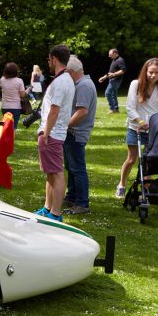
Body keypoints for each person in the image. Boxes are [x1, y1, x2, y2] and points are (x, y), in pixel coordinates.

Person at [115, 58, 158, 198]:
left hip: (154, 128)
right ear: (145, 71)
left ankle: (146, 189)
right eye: (151, 72)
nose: (153, 76)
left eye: (156, 73)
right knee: (132, 159)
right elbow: (130, 108)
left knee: (149, 160)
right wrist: (140, 121)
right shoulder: (136, 84)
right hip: (136, 127)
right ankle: (122, 183)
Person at [34, 44, 75, 222]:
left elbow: (54, 111)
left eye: (49, 59)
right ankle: (47, 208)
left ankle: (56, 214)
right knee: (50, 173)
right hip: (53, 132)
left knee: (56, 173)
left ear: (54, 59)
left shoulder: (62, 81)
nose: (48, 63)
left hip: (52, 133)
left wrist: (46, 133)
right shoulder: (65, 79)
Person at [63, 56, 97, 215]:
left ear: (70, 72)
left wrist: (65, 125)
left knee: (77, 169)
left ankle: (82, 204)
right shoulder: (82, 83)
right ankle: (72, 197)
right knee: (71, 167)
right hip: (72, 133)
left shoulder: (83, 85)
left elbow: (82, 111)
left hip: (75, 133)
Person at [0, 62, 29, 129]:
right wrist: (28, 90)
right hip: (15, 107)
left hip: (4, 106)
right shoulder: (19, 81)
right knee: (13, 127)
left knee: (6, 126)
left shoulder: (2, 79)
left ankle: (5, 139)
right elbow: (22, 95)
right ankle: (10, 139)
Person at [99, 48, 126, 114]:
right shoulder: (114, 60)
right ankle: (116, 109)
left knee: (107, 93)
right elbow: (111, 72)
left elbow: (123, 70)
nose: (109, 56)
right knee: (113, 95)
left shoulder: (120, 60)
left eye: (110, 55)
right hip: (113, 80)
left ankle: (112, 109)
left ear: (115, 53)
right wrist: (104, 77)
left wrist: (114, 74)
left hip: (116, 80)